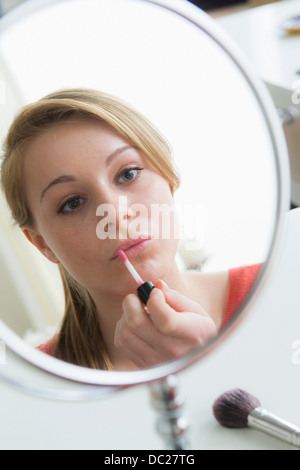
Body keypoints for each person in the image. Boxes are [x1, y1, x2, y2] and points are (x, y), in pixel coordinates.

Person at [0, 88, 261, 371]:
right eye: (72, 203)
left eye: (128, 174)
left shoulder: (283, 285)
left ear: (168, 174)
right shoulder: (33, 386)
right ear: (42, 244)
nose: (114, 215)